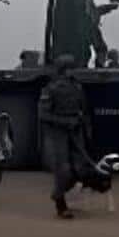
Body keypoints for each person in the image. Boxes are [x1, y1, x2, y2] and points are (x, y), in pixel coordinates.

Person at [38, 54, 91, 219]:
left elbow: (84, 110)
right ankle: (60, 203)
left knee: (81, 169)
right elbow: (43, 115)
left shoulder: (77, 87)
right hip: (58, 133)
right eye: (68, 69)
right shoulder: (50, 89)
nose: (71, 72)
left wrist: (86, 127)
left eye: (72, 68)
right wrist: (65, 121)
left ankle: (59, 193)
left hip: (76, 130)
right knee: (64, 170)